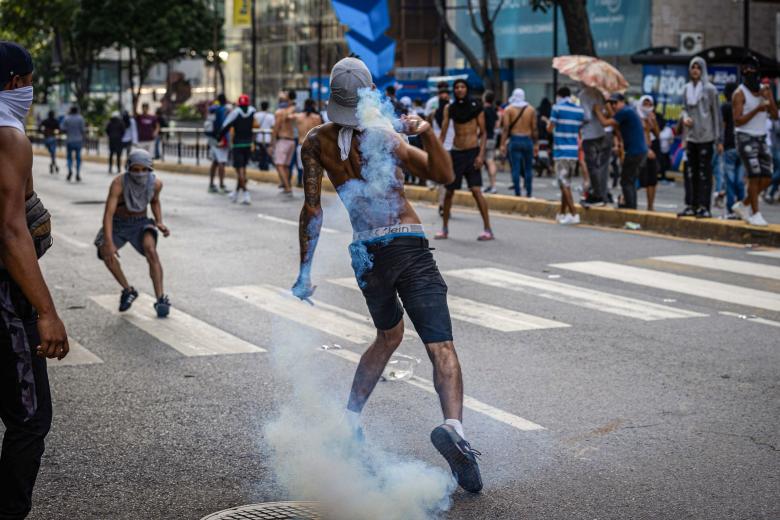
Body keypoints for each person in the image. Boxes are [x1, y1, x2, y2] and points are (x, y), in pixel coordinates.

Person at [292, 57, 482, 493]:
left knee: (388, 337)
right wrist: (429, 131)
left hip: (367, 254)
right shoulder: (383, 135)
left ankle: (349, 422)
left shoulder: (314, 142)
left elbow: (312, 210)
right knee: (441, 346)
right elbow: (443, 173)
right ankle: (454, 427)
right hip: (407, 244)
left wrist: (304, 272)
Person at [0, 41, 70, 520]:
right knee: (29, 418)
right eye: (27, 81)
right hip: (5, 302)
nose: (29, 89)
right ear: (13, 83)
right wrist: (46, 312)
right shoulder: (9, 138)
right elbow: (9, 230)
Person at [95, 148, 171, 317]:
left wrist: (159, 222)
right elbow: (108, 214)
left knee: (151, 251)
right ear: (128, 168)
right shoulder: (118, 183)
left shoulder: (156, 184)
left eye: (144, 169)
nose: (140, 173)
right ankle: (128, 290)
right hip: (118, 224)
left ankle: (160, 298)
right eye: (135, 170)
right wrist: (109, 241)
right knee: (106, 252)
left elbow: (155, 201)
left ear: (150, 169)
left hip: (140, 223)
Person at [437, 79, 493, 240]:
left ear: (467, 89)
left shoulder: (476, 106)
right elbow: (444, 131)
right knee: (449, 192)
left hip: (473, 153)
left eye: (462, 87)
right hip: (457, 154)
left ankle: (488, 229)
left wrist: (481, 155)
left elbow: (483, 133)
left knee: (476, 191)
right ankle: (445, 229)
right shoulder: (450, 108)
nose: (459, 89)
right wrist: (437, 152)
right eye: (457, 87)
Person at [731, 56, 778, 226]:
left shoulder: (765, 89)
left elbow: (774, 114)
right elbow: (737, 120)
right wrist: (758, 108)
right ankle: (756, 213)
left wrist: (769, 98)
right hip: (745, 136)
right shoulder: (739, 93)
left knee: (768, 176)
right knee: (754, 174)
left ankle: (744, 205)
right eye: (746, 69)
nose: (750, 72)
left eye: (752, 69)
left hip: (761, 136)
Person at [677, 57, 722, 218]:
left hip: (707, 136)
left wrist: (718, 139)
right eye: (692, 67)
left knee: (705, 173)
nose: (695, 70)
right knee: (690, 173)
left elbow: (716, 114)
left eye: (698, 67)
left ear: (702, 70)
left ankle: (704, 206)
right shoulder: (686, 88)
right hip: (690, 137)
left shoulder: (710, 89)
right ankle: (691, 205)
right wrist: (684, 117)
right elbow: (683, 109)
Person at [596, 93, 647, 209]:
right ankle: (631, 207)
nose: (613, 105)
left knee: (626, 181)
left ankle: (630, 207)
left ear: (622, 102)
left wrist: (597, 110)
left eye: (615, 103)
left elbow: (605, 123)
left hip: (635, 152)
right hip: (638, 151)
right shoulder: (626, 112)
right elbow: (616, 124)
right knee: (630, 180)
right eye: (611, 103)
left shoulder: (625, 112)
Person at [547, 86, 584, 224]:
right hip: (573, 151)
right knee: (565, 183)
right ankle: (562, 213)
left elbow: (550, 129)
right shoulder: (579, 110)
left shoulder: (557, 108)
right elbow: (578, 128)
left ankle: (574, 214)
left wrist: (548, 124)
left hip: (561, 150)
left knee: (564, 183)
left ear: (559, 95)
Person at [218, 93, 256, 205]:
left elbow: (226, 126)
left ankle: (246, 193)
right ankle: (235, 193)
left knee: (239, 171)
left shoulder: (235, 113)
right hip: (248, 144)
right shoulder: (252, 112)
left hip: (237, 145)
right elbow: (256, 125)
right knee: (242, 169)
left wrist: (219, 137)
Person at [500, 88, 537, 198]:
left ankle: (517, 192)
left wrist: (502, 144)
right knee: (528, 168)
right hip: (527, 139)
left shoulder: (508, 109)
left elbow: (505, 128)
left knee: (515, 167)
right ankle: (529, 192)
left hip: (515, 139)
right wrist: (536, 143)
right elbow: (534, 128)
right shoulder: (531, 109)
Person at [579, 85, 610, 206]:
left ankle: (598, 196)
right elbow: (604, 111)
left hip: (589, 134)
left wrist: (578, 122)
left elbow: (586, 116)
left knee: (592, 167)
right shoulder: (599, 93)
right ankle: (600, 193)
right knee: (599, 166)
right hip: (601, 133)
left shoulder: (583, 94)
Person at [717, 82, 744, 218]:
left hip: (729, 146)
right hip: (742, 146)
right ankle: (742, 209)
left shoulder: (726, 107)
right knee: (740, 181)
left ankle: (731, 210)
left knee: (730, 181)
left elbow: (722, 126)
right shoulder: (742, 106)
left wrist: (720, 143)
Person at [637, 95, 660, 211]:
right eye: (645, 104)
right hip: (640, 149)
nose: (647, 107)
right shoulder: (637, 117)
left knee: (652, 179)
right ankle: (625, 199)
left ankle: (650, 206)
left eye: (649, 104)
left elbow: (657, 134)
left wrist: (653, 122)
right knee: (638, 178)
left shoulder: (653, 117)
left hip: (652, 148)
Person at [272, 90, 297, 195]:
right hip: (292, 141)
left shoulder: (280, 112)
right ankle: (288, 185)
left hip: (283, 140)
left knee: (279, 165)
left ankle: (287, 187)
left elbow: (276, 128)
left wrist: (272, 143)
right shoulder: (294, 110)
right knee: (285, 166)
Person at [206, 95, 228, 193]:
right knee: (221, 162)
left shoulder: (213, 109)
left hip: (211, 138)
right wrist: (224, 139)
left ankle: (211, 184)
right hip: (220, 139)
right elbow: (224, 125)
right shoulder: (223, 110)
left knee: (215, 161)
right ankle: (222, 185)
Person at [61, 105, 85, 182]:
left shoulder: (67, 118)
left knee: (69, 157)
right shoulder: (80, 118)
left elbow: (62, 128)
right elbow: (82, 130)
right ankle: (77, 173)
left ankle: (70, 170)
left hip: (69, 140)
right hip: (78, 140)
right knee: (78, 157)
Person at [481, 90, 499, 194]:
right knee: (490, 161)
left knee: (480, 161)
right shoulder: (493, 111)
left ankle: (481, 185)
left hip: (483, 138)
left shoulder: (482, 110)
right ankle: (493, 186)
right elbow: (497, 125)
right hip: (492, 138)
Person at [254, 100, 274, 170]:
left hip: (258, 137)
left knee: (261, 152)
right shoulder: (271, 116)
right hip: (267, 137)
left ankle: (261, 165)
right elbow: (272, 127)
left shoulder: (256, 115)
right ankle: (265, 166)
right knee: (266, 153)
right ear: (267, 107)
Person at [38, 110, 59, 174]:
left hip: (46, 139)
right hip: (52, 138)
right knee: (53, 153)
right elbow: (59, 129)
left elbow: (39, 128)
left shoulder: (45, 121)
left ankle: (53, 165)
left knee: (52, 153)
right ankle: (54, 165)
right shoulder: (55, 121)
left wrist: (42, 132)